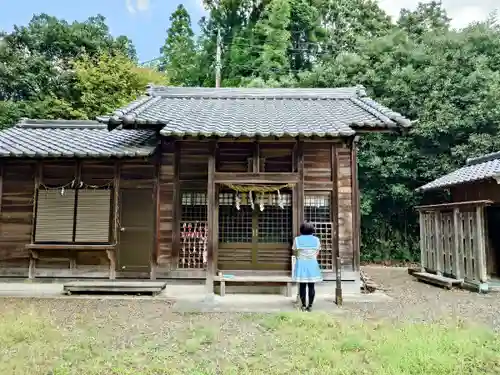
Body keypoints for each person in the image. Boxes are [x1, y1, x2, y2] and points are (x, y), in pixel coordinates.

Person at [292, 222, 322, 311]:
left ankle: (303, 305)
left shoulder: (297, 240)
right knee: (311, 286)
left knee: (302, 285)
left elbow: (295, 252)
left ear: (301, 230)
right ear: (312, 230)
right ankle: (310, 306)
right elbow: (317, 252)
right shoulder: (316, 240)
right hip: (312, 264)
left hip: (301, 264)